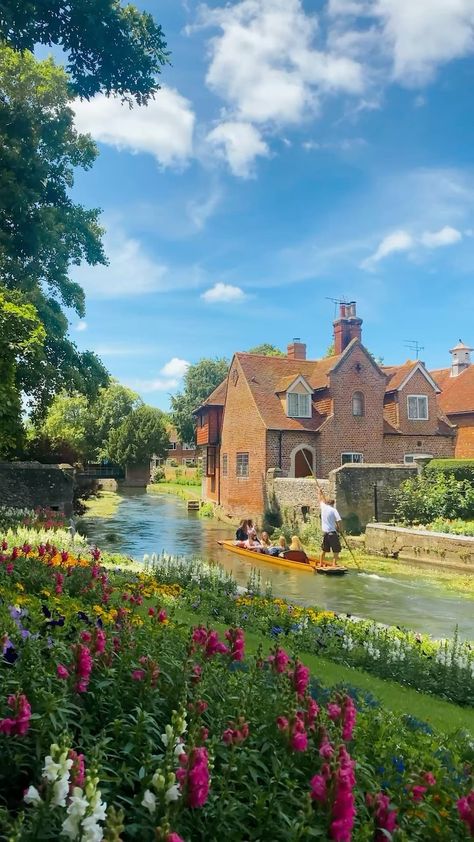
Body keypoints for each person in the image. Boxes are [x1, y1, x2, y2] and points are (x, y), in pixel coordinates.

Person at [318, 488, 342, 566]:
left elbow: (320, 499)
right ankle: (334, 564)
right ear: (333, 504)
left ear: (327, 503)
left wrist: (320, 492)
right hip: (332, 533)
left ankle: (321, 563)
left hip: (325, 534)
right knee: (336, 550)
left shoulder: (323, 507)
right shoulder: (333, 510)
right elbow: (338, 520)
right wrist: (339, 528)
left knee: (324, 550)